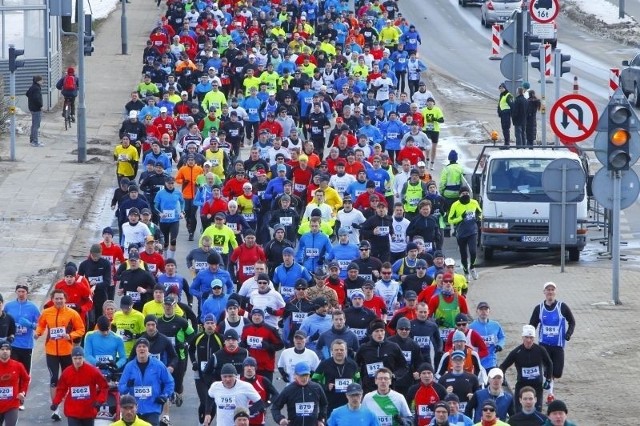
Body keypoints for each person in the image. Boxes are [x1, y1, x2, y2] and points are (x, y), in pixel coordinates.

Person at [35, 289, 86, 421]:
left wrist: (70, 335)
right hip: (51, 351)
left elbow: (81, 329)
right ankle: (56, 408)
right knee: (53, 380)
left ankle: (70, 406)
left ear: (65, 299)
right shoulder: (47, 312)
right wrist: (38, 333)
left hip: (67, 352)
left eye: (61, 298)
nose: (59, 301)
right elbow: (40, 325)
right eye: (56, 298)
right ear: (52, 299)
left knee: (68, 379)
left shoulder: (72, 313)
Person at [528, 282, 575, 404]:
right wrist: (529, 340)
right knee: (548, 369)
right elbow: (532, 325)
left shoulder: (562, 307)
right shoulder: (539, 308)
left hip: (558, 345)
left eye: (552, 289)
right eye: (547, 290)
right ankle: (550, 394)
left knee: (557, 372)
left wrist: (568, 334)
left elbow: (572, 321)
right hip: (544, 344)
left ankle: (549, 383)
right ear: (544, 292)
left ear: (555, 292)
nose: (550, 292)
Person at [119, 338, 175, 426]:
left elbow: (170, 382)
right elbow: (121, 388)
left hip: (152, 407)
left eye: (144, 346)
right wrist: (127, 386)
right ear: (136, 350)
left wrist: (165, 395)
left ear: (148, 350)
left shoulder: (158, 365)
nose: (142, 348)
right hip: (134, 409)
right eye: (139, 347)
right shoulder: (129, 366)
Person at [499, 325, 553, 413]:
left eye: (531, 338)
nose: (528, 340)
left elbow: (549, 363)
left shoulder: (540, 350)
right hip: (522, 386)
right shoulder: (516, 352)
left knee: (537, 411)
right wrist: (502, 380)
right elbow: (503, 366)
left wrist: (548, 379)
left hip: (537, 386)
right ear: (522, 338)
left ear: (534, 338)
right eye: (526, 337)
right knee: (519, 412)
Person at [51, 346, 109, 426]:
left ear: (83, 358)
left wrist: (100, 401)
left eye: (80, 358)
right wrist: (55, 403)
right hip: (72, 412)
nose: (77, 361)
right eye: (75, 358)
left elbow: (104, 386)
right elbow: (61, 389)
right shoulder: (67, 372)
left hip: (88, 411)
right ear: (71, 358)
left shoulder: (93, 371)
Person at [271, 361, 328, 426]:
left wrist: (321, 419)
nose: (304, 378)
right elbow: (275, 407)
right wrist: (280, 419)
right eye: (301, 375)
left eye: (306, 375)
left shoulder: (316, 388)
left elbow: (324, 404)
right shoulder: (288, 390)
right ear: (295, 375)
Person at [5, 284, 40, 376]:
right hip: (12, 344)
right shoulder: (9, 306)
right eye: (19, 291)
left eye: (23, 292)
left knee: (24, 373)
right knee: (12, 372)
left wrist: (30, 325)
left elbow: (41, 325)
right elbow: (3, 321)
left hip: (26, 345)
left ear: (27, 293)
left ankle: (23, 390)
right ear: (16, 292)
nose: (21, 294)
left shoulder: (32, 307)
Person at [447, 187, 482, 280]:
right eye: (463, 194)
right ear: (460, 195)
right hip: (461, 233)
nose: (465, 195)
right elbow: (450, 220)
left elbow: (480, 212)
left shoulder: (474, 202)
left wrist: (479, 218)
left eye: (467, 193)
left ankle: (472, 267)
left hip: (473, 231)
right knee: (464, 254)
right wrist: (461, 218)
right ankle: (466, 272)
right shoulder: (455, 205)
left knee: (473, 251)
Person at [468, 302, 506, 371]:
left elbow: (502, 337)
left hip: (491, 360)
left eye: (486, 309)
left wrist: (500, 345)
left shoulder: (495, 325)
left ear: (489, 311)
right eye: (481, 309)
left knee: (497, 379)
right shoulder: (471, 327)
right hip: (477, 361)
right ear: (477, 311)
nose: (483, 312)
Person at [0, 340, 29, 426]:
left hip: (12, 404)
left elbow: (26, 379)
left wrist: (22, 392)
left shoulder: (18, 365)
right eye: (2, 349)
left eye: (7, 349)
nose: (5, 351)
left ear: (10, 351)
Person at [26, 75, 44, 147]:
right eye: (42, 80)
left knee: (34, 125)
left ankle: (32, 140)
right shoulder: (36, 88)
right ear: (38, 81)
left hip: (32, 108)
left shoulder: (32, 87)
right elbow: (37, 99)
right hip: (36, 109)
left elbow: (27, 94)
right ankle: (35, 141)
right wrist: (41, 106)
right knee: (36, 125)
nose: (43, 82)